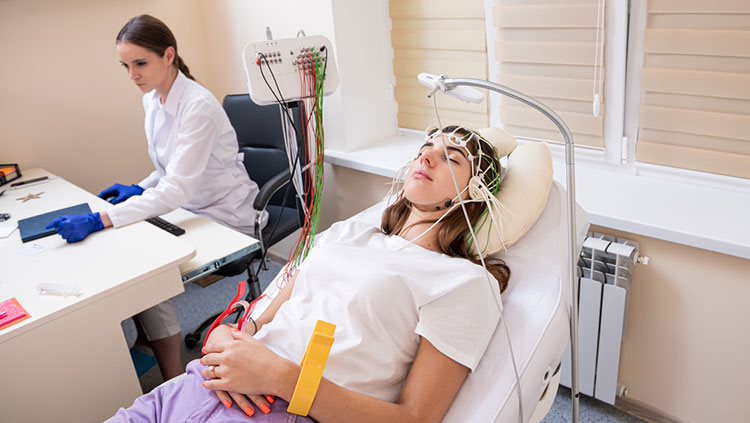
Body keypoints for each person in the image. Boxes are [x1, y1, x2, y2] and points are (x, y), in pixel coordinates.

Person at [108, 125, 511, 422]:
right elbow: (272, 310)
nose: (426, 157)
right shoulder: (351, 232)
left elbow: (416, 418)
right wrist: (229, 336)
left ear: (477, 193)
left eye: (451, 158)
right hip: (207, 379)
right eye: (426, 148)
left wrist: (282, 378)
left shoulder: (464, 282)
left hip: (283, 410)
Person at [46, 14, 266, 380]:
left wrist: (101, 218)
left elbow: (177, 186)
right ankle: (150, 340)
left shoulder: (198, 106)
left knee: (144, 262)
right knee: (126, 244)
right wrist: (139, 187)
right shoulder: (153, 99)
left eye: (140, 63)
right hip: (186, 206)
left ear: (168, 55)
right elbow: (167, 173)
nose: (133, 75)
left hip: (225, 216)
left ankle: (173, 371)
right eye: (126, 66)